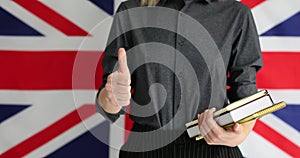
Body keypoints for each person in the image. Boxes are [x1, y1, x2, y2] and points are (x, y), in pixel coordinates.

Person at [96, 0, 263, 157]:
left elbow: (245, 91)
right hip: (145, 149)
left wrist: (239, 135)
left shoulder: (237, 14)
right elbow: (106, 102)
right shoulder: (131, 11)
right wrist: (112, 97)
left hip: (212, 147)